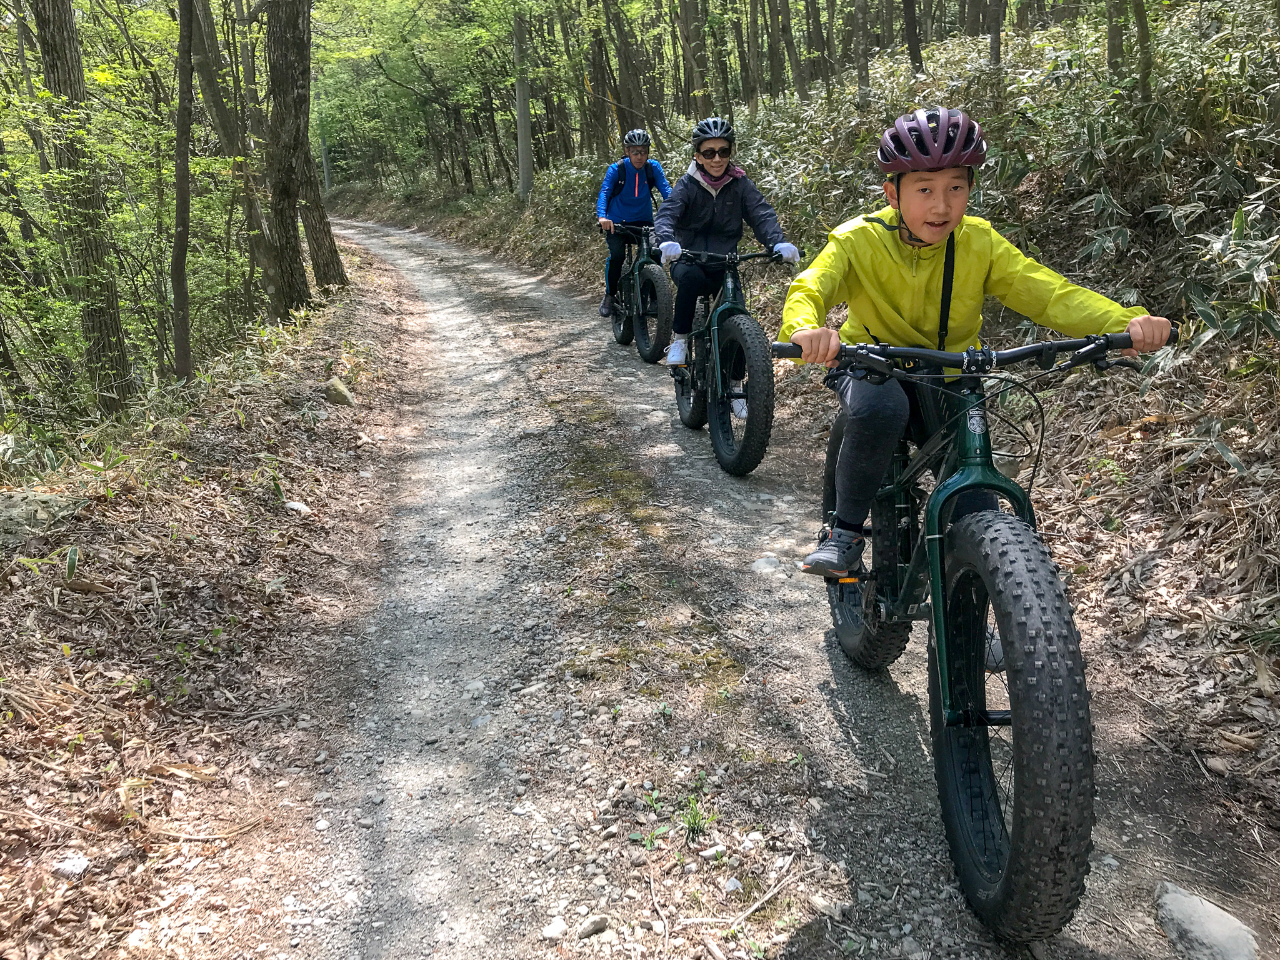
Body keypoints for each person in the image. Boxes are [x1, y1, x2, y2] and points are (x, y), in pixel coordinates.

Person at [780, 106, 1171, 582]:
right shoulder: (857, 240)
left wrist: (1126, 324)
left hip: (952, 372)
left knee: (974, 491)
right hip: (871, 361)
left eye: (956, 188)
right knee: (880, 410)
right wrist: (805, 329)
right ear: (892, 192)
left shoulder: (979, 242)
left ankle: (986, 608)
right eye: (924, 189)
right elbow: (812, 286)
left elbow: (1047, 292)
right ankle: (843, 534)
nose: (941, 206)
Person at [652, 117, 800, 366]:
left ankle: (734, 385)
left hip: (725, 262)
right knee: (690, 279)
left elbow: (761, 214)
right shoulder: (687, 185)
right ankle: (680, 339)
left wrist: (777, 243)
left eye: (723, 151)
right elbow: (667, 213)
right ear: (698, 157)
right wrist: (667, 240)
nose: (717, 159)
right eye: (709, 153)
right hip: (689, 257)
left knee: (738, 317)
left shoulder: (740, 184)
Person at [596, 129, 673, 318]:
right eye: (635, 152)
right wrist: (602, 217)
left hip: (644, 221)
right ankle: (610, 295)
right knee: (617, 255)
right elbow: (605, 192)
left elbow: (667, 192)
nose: (639, 156)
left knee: (655, 252)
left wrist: (676, 213)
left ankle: (656, 297)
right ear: (627, 151)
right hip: (616, 222)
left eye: (643, 152)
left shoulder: (652, 168)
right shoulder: (617, 169)